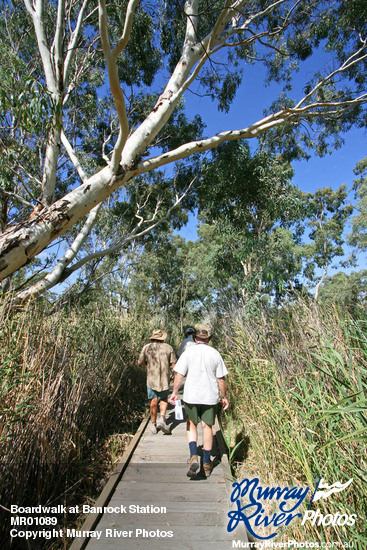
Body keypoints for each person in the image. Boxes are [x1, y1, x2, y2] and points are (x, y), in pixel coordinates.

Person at [169, 328, 229, 478]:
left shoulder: (188, 353)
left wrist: (174, 393)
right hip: (210, 397)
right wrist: (225, 396)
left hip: (191, 396)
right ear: (208, 340)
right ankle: (207, 462)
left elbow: (179, 374)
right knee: (207, 426)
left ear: (195, 340)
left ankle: (194, 455)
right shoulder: (215, 353)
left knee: (191, 423)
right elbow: (221, 379)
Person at [138, 329, 176, 435]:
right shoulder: (168, 348)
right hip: (165, 378)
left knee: (153, 401)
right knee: (164, 399)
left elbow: (140, 362)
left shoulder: (146, 347)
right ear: (162, 338)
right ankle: (162, 419)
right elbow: (174, 364)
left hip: (151, 379)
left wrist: (148, 364)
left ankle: (153, 424)